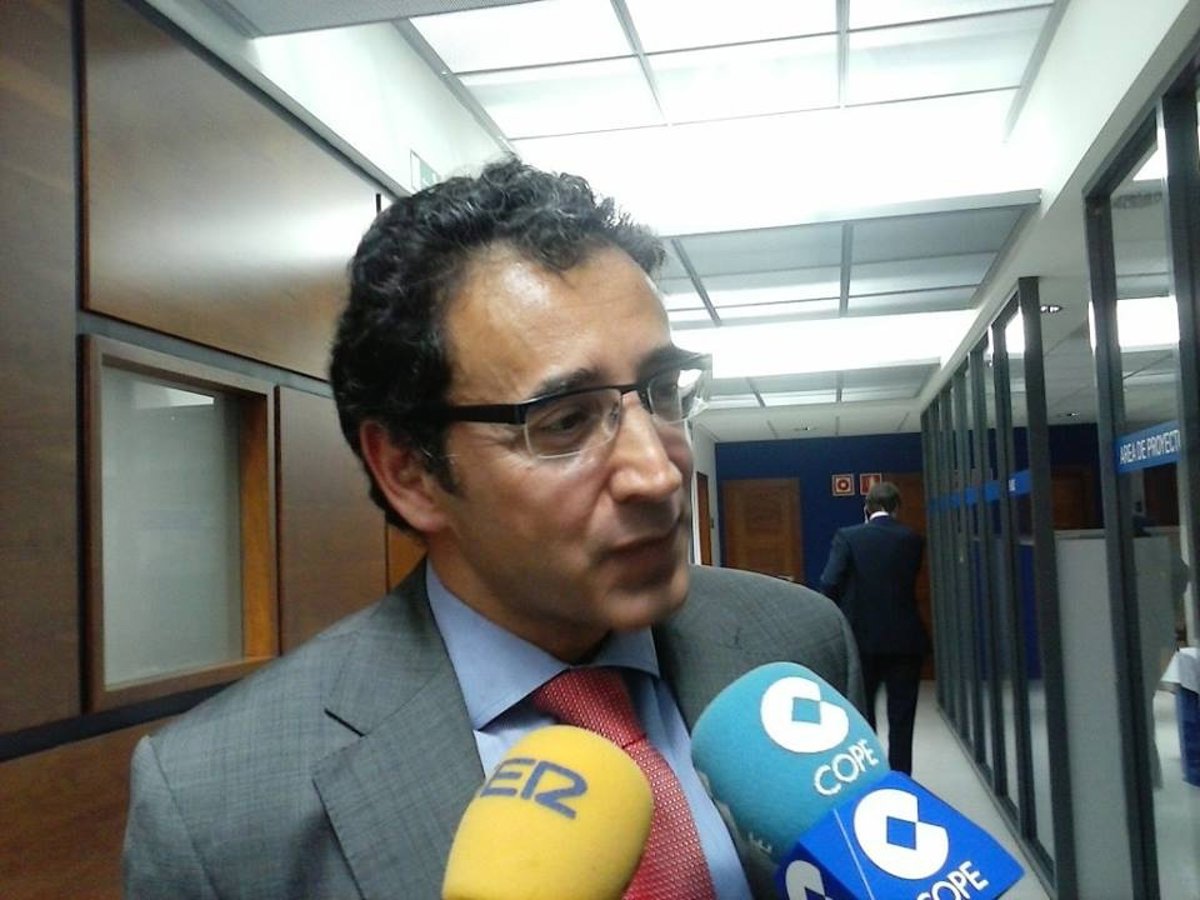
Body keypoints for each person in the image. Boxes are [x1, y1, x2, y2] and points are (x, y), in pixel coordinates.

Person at [122, 158, 863, 899]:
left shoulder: (797, 643)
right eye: (565, 421)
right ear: (410, 471)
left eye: (662, 389)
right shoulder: (216, 809)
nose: (658, 473)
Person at [819, 480, 928, 775]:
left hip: (861, 639)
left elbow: (829, 582)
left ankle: (869, 775)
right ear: (896, 508)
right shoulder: (913, 539)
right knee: (902, 717)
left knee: (862, 714)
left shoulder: (848, 537)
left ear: (866, 508)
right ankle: (901, 777)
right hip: (905, 640)